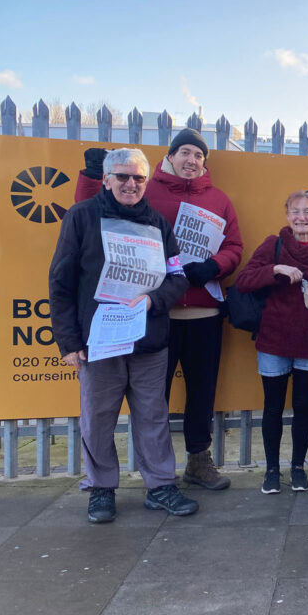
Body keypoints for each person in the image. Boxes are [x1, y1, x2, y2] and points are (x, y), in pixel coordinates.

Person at [74, 129, 243, 491]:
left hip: (204, 315)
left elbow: (234, 245)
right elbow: (93, 213)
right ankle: (154, 473)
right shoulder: (145, 189)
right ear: (170, 157)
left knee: (202, 393)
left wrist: (214, 267)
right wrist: (90, 176)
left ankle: (199, 461)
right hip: (154, 316)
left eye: (198, 155)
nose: (191, 160)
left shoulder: (219, 199)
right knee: (153, 401)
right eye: (184, 152)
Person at [49, 148, 196, 522]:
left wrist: (152, 300)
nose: (131, 184)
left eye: (138, 178)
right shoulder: (82, 217)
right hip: (99, 343)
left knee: (153, 417)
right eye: (123, 177)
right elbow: (61, 282)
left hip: (149, 342)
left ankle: (161, 485)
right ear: (107, 179)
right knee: (97, 419)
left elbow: (178, 277)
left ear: (146, 182)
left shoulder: (159, 224)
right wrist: (68, 342)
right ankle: (101, 489)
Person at [235, 191, 308, 494]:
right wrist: (275, 269)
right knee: (272, 409)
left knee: (304, 408)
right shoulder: (273, 244)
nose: (301, 218)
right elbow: (244, 281)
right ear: (287, 215)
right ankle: (271, 470)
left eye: (307, 212)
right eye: (295, 212)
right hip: (274, 340)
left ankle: (298, 467)